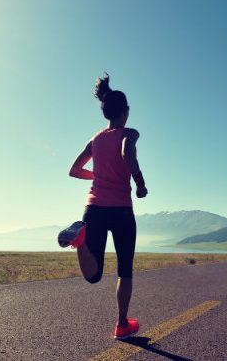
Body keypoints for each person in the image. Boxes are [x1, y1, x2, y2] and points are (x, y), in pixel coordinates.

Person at [58, 73, 148, 340]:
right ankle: (122, 325)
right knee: (125, 269)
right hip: (121, 209)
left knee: (93, 275)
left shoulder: (95, 139)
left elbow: (74, 170)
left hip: (94, 207)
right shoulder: (129, 133)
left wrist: (96, 176)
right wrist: (140, 184)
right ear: (126, 111)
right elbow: (126, 153)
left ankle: (80, 241)